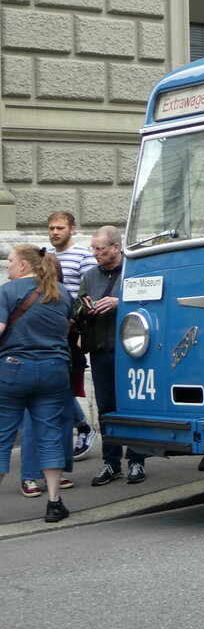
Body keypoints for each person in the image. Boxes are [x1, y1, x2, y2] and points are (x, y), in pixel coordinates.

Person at [18, 211, 98, 497]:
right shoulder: (28, 287)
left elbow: (88, 297)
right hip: (38, 359)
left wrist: (78, 335)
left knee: (61, 411)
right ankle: (31, 475)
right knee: (39, 414)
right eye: (50, 227)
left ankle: (55, 470)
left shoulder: (72, 276)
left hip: (67, 349)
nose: (54, 232)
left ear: (72, 229)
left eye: (59, 227)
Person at [0, 245, 74, 522]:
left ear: (24, 266)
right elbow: (65, 327)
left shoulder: (6, 292)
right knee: (50, 435)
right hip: (55, 371)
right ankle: (54, 503)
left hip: (13, 371)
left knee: (2, 437)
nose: (7, 266)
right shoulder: (63, 292)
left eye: (10, 261)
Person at [79, 226, 148, 486]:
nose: (95, 254)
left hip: (132, 350)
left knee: (131, 405)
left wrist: (119, 303)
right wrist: (86, 307)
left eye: (100, 249)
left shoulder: (136, 271)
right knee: (106, 408)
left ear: (116, 248)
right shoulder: (89, 275)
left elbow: (150, 302)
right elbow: (78, 303)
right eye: (93, 249)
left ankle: (136, 460)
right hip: (100, 348)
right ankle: (110, 462)